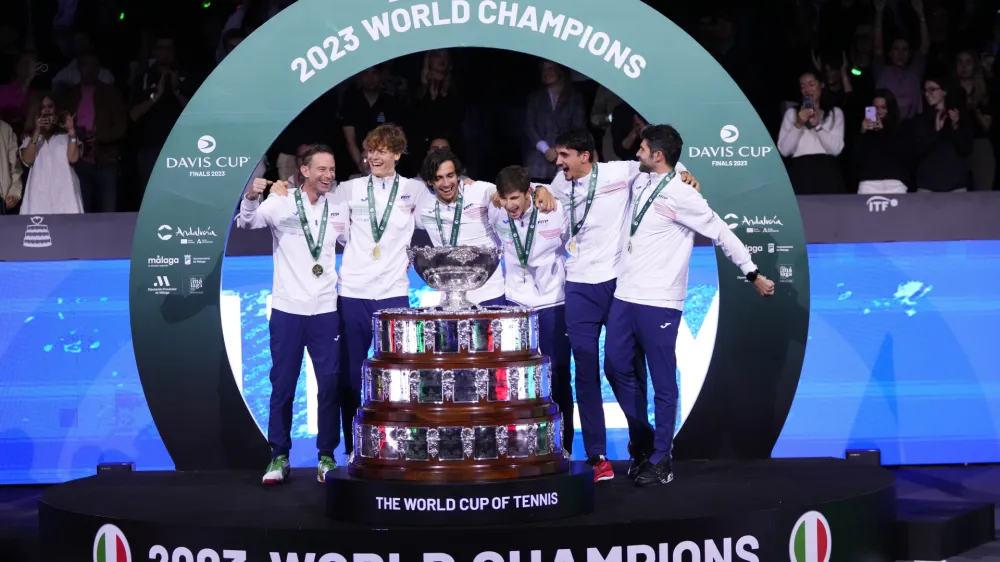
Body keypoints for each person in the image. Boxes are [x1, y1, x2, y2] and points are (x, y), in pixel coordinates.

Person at [604, 125, 774, 487]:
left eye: (643, 148)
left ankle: (661, 458)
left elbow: (722, 233)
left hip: (660, 301)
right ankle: (646, 438)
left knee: (664, 384)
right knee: (615, 367)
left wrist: (752, 272)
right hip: (625, 294)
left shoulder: (686, 197)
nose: (637, 153)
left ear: (658, 156)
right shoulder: (641, 178)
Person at [544, 128, 697, 483]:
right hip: (578, 285)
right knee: (585, 368)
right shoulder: (558, 183)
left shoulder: (619, 172)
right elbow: (542, 194)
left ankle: (641, 442)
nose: (559, 162)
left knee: (626, 365)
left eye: (565, 155)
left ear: (586, 156)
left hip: (617, 283)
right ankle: (597, 455)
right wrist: (539, 189)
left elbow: (661, 164)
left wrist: (684, 171)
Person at [273, 124, 433, 462]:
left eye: (382, 150)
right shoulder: (348, 189)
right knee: (349, 378)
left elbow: (449, 201)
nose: (374, 156)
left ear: (397, 154)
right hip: (352, 293)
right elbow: (310, 199)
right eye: (370, 149)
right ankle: (352, 447)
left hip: (394, 295)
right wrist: (279, 187)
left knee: (398, 375)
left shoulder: (414, 191)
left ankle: (398, 446)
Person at [236, 144, 346, 485]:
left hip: (326, 310)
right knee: (282, 386)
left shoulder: (340, 206)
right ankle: (278, 456)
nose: (329, 175)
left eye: (332, 170)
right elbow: (247, 222)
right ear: (306, 171)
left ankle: (326, 455)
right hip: (287, 311)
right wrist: (252, 196)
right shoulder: (281, 201)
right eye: (322, 170)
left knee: (329, 386)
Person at [489, 165, 575, 451]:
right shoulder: (495, 209)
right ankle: (520, 444)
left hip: (553, 302)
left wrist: (542, 188)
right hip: (515, 304)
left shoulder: (553, 208)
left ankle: (565, 444)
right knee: (516, 378)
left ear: (528, 193)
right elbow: (469, 187)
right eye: (505, 199)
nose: (510, 205)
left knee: (559, 374)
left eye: (516, 197)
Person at [415, 148, 557, 306]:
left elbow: (515, 187)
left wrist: (542, 189)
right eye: (439, 178)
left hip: (489, 293)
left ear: (458, 175)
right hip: (449, 297)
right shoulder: (423, 204)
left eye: (450, 175)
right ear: (429, 181)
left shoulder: (480, 191)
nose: (447, 183)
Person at [19, 94, 84, 215]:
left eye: (50, 106)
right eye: (42, 107)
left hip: (66, 196)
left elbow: (73, 158)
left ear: (56, 109)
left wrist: (71, 132)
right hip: (39, 198)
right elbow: (27, 160)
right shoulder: (29, 139)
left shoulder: (65, 137)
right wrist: (37, 131)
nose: (47, 110)